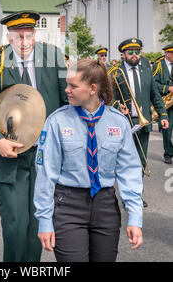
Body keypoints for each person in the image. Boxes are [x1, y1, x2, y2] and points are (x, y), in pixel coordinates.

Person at [0, 10, 68, 262]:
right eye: (18, 37)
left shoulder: (53, 56)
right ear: (8, 36)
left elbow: (66, 101)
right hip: (10, 155)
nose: (24, 42)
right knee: (15, 225)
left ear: (35, 34)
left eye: (29, 35)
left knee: (37, 224)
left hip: (45, 154)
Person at [34, 59, 143, 262]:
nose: (67, 90)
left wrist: (135, 217)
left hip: (105, 206)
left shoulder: (118, 122)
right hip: (68, 206)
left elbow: (130, 171)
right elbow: (46, 173)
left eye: (73, 86)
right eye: (67, 84)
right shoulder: (57, 121)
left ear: (93, 88)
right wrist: (44, 219)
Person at [112, 38, 169, 205]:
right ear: (123, 54)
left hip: (143, 123)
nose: (134, 55)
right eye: (130, 52)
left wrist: (163, 115)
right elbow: (108, 98)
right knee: (124, 162)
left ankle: (136, 195)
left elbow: (155, 95)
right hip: (124, 123)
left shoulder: (146, 69)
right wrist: (117, 105)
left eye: (137, 52)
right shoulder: (116, 72)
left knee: (141, 161)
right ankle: (125, 195)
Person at [153, 44, 173, 164]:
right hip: (166, 103)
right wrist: (168, 88)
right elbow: (154, 85)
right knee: (167, 130)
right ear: (167, 53)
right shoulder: (158, 66)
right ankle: (168, 153)